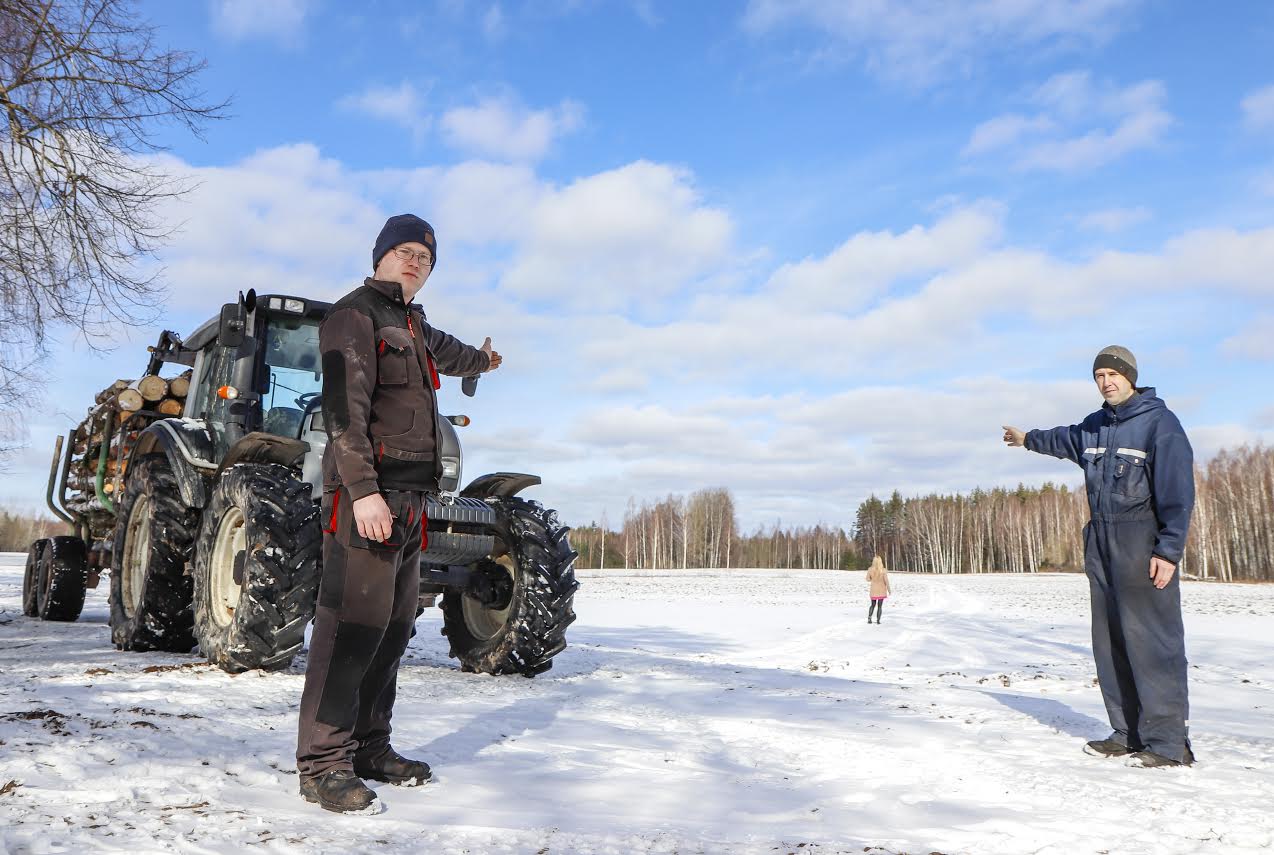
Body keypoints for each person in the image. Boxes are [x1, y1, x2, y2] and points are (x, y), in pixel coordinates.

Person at [296, 214, 502, 812]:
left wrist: (483, 364)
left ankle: (368, 747)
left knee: (392, 628)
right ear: (380, 255)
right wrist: (363, 492)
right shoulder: (353, 316)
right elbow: (342, 410)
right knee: (349, 628)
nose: (414, 261)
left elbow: (454, 352)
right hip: (370, 498)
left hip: (414, 501)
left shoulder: (412, 323)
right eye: (404, 251)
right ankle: (322, 763)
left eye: (425, 256)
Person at [1002, 345, 1194, 768]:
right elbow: (1063, 439)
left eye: (1113, 374)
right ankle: (1126, 733)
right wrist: (1026, 439)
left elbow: (1179, 496)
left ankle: (1167, 744)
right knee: (1110, 643)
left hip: (1143, 544)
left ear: (1130, 376)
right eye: (1099, 376)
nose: (1106, 382)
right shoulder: (1096, 427)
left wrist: (1168, 551)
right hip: (1102, 545)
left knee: (1152, 644)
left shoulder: (1160, 425)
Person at [865, 555, 890, 624]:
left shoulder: (870, 569)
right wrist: (889, 590)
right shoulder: (883, 570)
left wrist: (872, 579)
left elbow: (867, 579)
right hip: (881, 590)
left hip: (873, 590)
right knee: (879, 606)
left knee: (872, 605)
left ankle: (869, 618)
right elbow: (886, 581)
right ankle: (878, 620)